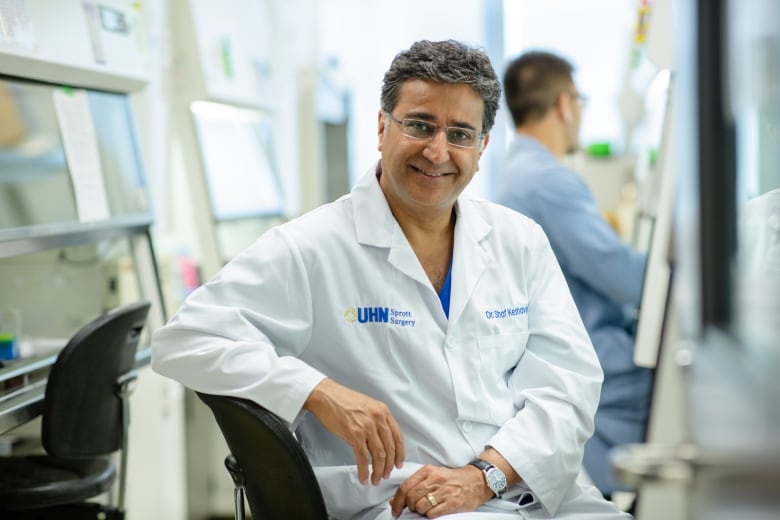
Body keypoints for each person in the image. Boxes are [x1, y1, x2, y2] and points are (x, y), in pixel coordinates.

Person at [152, 40, 630, 519]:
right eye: (420, 125)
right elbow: (184, 340)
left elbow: (568, 388)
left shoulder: (519, 242)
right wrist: (316, 391)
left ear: (482, 148)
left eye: (460, 133)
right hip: (401, 505)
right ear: (382, 127)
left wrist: (486, 475)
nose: (437, 150)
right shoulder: (311, 247)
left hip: (523, 490)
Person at [496, 51, 653, 497]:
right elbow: (625, 277)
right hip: (589, 352)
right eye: (580, 101)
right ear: (565, 104)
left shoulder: (519, 173)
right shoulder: (548, 180)